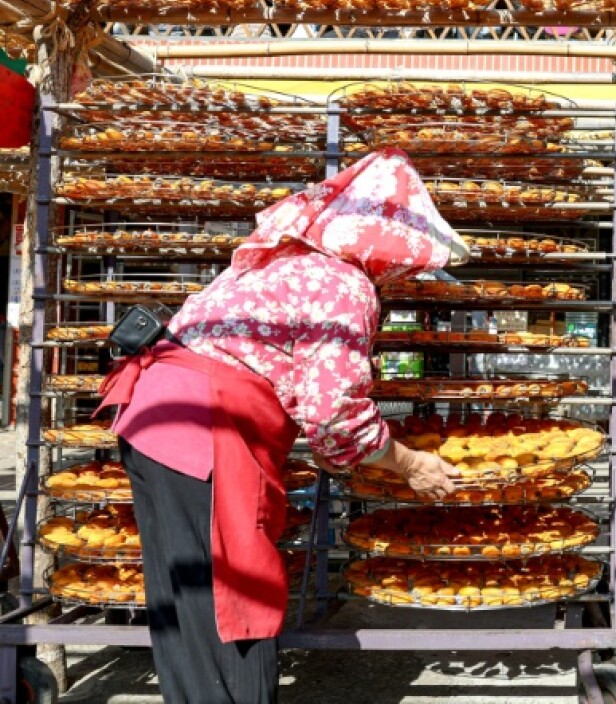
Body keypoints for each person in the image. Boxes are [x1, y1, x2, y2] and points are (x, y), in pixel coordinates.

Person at [96, 148, 469, 703]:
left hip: (154, 423)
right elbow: (334, 414)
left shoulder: (280, 260)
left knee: (184, 603)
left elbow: (294, 384)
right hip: (204, 433)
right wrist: (410, 463)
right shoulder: (344, 286)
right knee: (233, 601)